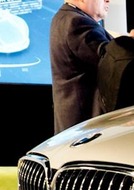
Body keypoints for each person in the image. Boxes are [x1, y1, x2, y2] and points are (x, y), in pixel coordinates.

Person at [49, 0, 114, 134]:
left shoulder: (66, 17)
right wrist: (129, 45)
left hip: (79, 130)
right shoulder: (77, 23)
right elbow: (114, 61)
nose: (108, 0)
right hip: (85, 131)